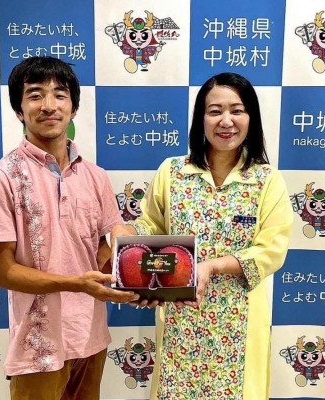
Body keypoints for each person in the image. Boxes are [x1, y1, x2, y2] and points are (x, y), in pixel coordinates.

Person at [111, 72, 294, 399]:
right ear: (201, 119)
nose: (226, 121)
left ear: (251, 117)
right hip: (180, 319)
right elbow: (151, 224)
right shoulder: (173, 171)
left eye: (237, 110)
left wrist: (212, 266)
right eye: (215, 111)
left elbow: (271, 249)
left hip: (239, 323)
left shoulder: (266, 180)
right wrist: (128, 233)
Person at [0, 56, 139, 400]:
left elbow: (106, 241)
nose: (49, 105)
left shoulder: (95, 176)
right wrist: (76, 283)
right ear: (19, 110)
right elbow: (2, 272)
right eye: (35, 95)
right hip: (38, 345)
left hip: (91, 335)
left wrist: (127, 259)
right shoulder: (0, 177)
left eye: (60, 95)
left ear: (73, 108)